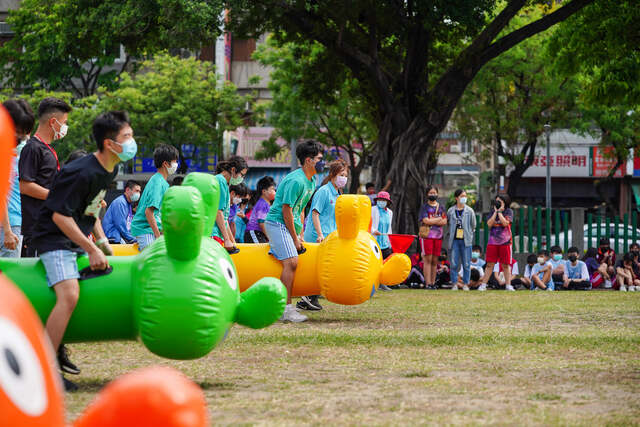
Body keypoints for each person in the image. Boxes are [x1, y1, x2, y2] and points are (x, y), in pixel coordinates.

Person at [32, 111, 135, 391]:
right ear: (108, 143)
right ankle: (44, 370)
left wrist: (102, 244)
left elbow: (89, 211)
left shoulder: (109, 170)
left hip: (74, 239)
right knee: (69, 295)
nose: (131, 142)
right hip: (54, 239)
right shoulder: (81, 171)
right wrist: (91, 248)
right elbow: (59, 217)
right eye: (126, 137)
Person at [264, 140, 323, 322]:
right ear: (308, 160)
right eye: (320, 159)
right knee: (291, 262)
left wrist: (301, 232)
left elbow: (302, 207)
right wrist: (294, 239)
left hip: (289, 226)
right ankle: (285, 309)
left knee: (294, 261)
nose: (323, 162)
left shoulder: (312, 180)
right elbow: (286, 209)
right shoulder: (296, 180)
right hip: (276, 223)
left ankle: (286, 308)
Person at [19, 97, 72, 257]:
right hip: (36, 229)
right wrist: (56, 196)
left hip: (48, 227)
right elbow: (25, 185)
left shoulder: (47, 149)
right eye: (64, 122)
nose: (65, 127)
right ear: (53, 122)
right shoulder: (33, 148)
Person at [298, 160, 348, 310]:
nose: (344, 178)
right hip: (317, 236)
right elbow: (315, 213)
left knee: (325, 268)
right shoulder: (323, 191)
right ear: (333, 175)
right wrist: (319, 234)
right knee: (316, 268)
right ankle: (306, 297)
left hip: (330, 236)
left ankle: (310, 298)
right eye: (341, 174)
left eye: (346, 175)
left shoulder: (338, 194)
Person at [1, 99, 35, 258]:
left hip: (14, 224)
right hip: (7, 226)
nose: (21, 138)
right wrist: (7, 230)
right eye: (19, 132)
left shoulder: (13, 152)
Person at [130, 144, 179, 251]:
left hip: (151, 229)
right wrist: (158, 237)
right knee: (153, 260)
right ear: (166, 164)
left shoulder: (162, 182)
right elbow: (149, 212)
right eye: (175, 161)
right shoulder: (157, 182)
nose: (176, 164)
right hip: (145, 230)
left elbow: (159, 214)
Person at [211, 156, 248, 254]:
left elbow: (224, 218)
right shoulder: (220, 181)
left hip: (218, 234)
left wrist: (232, 241)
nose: (242, 178)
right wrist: (227, 240)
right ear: (233, 170)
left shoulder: (224, 183)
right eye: (242, 174)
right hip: (213, 233)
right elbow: (218, 212)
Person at [477, 194, 514, 291]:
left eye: (500, 201)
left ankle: (508, 285)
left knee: (505, 265)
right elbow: (489, 224)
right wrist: (495, 212)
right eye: (496, 201)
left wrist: (500, 212)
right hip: (492, 242)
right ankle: (483, 285)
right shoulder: (491, 212)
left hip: (505, 242)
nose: (497, 203)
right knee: (490, 264)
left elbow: (505, 223)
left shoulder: (508, 211)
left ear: (505, 202)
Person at [418, 186, 447, 290]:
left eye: (434, 192)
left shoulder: (442, 207)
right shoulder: (424, 207)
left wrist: (434, 220)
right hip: (427, 237)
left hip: (438, 237)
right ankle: (428, 283)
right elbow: (426, 221)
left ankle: (433, 283)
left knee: (435, 260)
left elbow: (445, 221)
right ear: (427, 194)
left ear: (437, 194)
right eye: (430, 193)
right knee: (428, 260)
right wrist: (438, 219)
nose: (432, 194)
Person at [447, 189, 476, 291]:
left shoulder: (470, 211)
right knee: (454, 263)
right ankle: (454, 283)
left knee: (467, 263)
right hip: (454, 240)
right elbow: (448, 224)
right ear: (456, 198)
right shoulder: (451, 211)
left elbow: (473, 225)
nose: (464, 198)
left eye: (465, 196)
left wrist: (469, 234)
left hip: (466, 240)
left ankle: (466, 284)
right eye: (462, 196)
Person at [102, 180, 141, 244]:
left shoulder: (128, 204)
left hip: (119, 237)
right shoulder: (120, 202)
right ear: (127, 190)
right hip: (113, 238)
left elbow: (127, 225)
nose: (138, 194)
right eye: (137, 191)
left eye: (139, 191)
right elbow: (121, 225)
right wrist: (133, 239)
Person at [371, 191, 394, 291]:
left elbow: (389, 228)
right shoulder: (373, 210)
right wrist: (373, 231)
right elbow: (368, 223)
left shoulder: (390, 212)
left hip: (385, 241)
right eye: (380, 200)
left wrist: (390, 241)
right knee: (375, 262)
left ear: (387, 202)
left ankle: (383, 283)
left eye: (384, 200)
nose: (382, 202)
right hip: (375, 240)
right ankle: (373, 282)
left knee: (384, 263)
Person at [245, 176, 276, 243]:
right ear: (264, 191)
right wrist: (269, 237)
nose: (274, 192)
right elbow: (261, 223)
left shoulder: (266, 204)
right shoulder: (263, 204)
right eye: (272, 189)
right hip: (254, 233)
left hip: (259, 233)